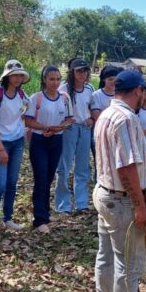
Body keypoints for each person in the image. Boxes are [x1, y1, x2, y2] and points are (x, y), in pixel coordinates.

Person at [91, 69, 146, 292]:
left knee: (106, 257)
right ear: (136, 91)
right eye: (143, 91)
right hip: (121, 199)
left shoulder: (106, 114)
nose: (145, 95)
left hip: (105, 193)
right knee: (129, 265)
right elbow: (127, 166)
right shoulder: (126, 118)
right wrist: (140, 204)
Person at [0, 59, 31, 240]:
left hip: (17, 141)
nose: (18, 78)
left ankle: (8, 218)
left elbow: (27, 110)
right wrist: (1, 148)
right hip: (0, 143)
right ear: (7, 76)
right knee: (0, 185)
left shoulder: (22, 94)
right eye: (14, 75)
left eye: (20, 75)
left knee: (12, 183)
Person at [24, 65, 74, 234]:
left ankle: (45, 212)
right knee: (41, 178)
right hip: (39, 141)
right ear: (44, 79)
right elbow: (28, 121)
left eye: (58, 79)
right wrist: (46, 127)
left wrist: (59, 128)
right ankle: (39, 220)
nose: (55, 82)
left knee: (50, 177)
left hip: (57, 140)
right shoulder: (36, 98)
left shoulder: (65, 98)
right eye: (51, 79)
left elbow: (70, 119)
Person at [55, 57, 94, 214]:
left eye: (85, 70)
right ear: (72, 72)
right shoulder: (63, 89)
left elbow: (91, 107)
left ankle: (81, 203)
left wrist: (91, 118)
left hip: (85, 128)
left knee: (82, 167)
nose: (82, 74)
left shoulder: (89, 88)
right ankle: (63, 205)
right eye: (79, 71)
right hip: (68, 129)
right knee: (64, 166)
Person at [90, 65, 122, 181]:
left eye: (115, 79)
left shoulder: (121, 94)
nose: (113, 82)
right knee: (100, 160)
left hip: (118, 133)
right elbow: (96, 116)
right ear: (104, 80)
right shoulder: (96, 95)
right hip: (101, 133)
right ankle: (99, 183)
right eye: (110, 79)